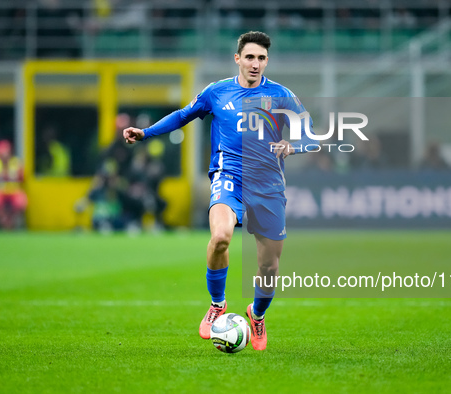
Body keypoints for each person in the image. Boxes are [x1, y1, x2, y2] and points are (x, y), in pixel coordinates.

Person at [123, 31, 316, 350]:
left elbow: (312, 135)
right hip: (228, 177)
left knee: (269, 266)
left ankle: (257, 314)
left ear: (267, 61)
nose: (256, 64)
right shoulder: (217, 92)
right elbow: (183, 116)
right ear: (238, 58)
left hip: (267, 185)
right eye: (250, 57)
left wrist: (292, 147)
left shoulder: (282, 95)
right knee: (220, 237)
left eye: (262, 58)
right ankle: (217, 304)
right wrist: (146, 132)